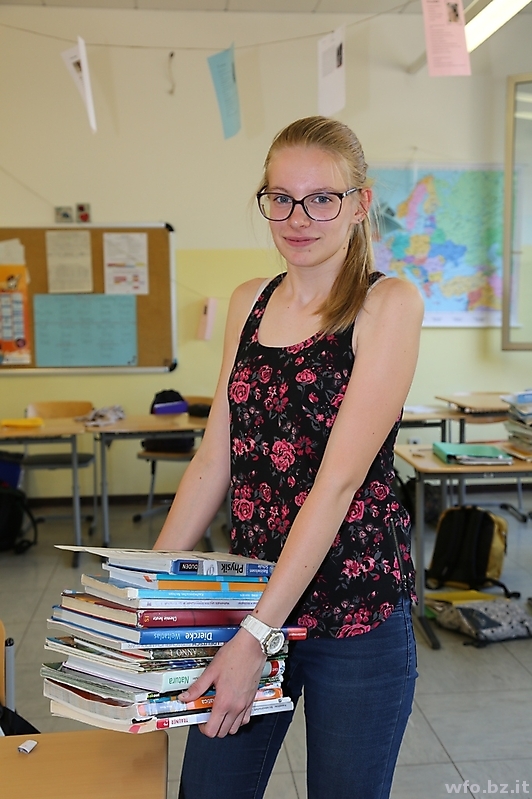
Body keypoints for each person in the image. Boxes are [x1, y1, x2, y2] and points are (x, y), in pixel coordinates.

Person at [154, 115, 424, 799]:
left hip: (356, 610)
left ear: (360, 204)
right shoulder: (250, 300)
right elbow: (214, 459)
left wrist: (256, 636)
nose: (298, 218)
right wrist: (147, 590)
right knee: (208, 789)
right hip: (250, 592)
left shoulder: (387, 304)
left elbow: (337, 485)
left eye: (322, 198)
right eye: (281, 198)